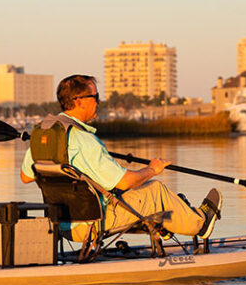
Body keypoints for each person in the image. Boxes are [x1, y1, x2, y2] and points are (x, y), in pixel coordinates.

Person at [20, 74, 222, 240]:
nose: (99, 102)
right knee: (155, 190)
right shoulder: (85, 140)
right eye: (95, 97)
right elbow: (124, 182)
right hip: (92, 224)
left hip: (61, 226)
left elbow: (26, 176)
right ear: (79, 101)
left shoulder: (42, 135)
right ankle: (200, 223)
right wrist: (153, 169)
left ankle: (163, 222)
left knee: (125, 194)